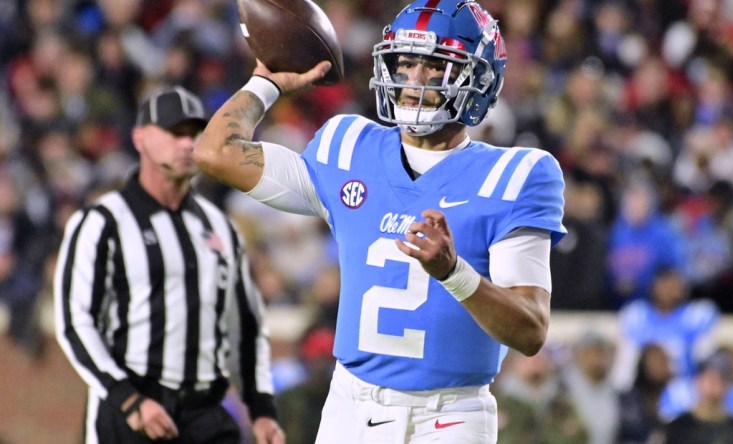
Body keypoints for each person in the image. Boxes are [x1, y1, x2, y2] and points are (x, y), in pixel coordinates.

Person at [194, 1, 566, 442]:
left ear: (478, 78)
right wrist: (266, 82)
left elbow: (529, 330)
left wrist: (454, 273)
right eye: (405, 63)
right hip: (351, 406)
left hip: (450, 414)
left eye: (433, 66)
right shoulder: (348, 146)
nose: (412, 81)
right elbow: (216, 152)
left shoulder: (517, 175)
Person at [53, 86, 284, 444]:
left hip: (205, 409)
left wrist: (262, 409)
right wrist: (126, 399)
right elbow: (75, 321)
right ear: (140, 138)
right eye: (175, 133)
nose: (187, 144)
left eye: (195, 134)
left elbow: (246, 327)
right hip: (133, 408)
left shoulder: (219, 225)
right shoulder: (103, 221)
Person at [663, 351, 733, 444]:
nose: (712, 386)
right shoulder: (679, 428)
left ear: (728, 385)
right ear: (697, 381)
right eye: (709, 379)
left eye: (720, 380)